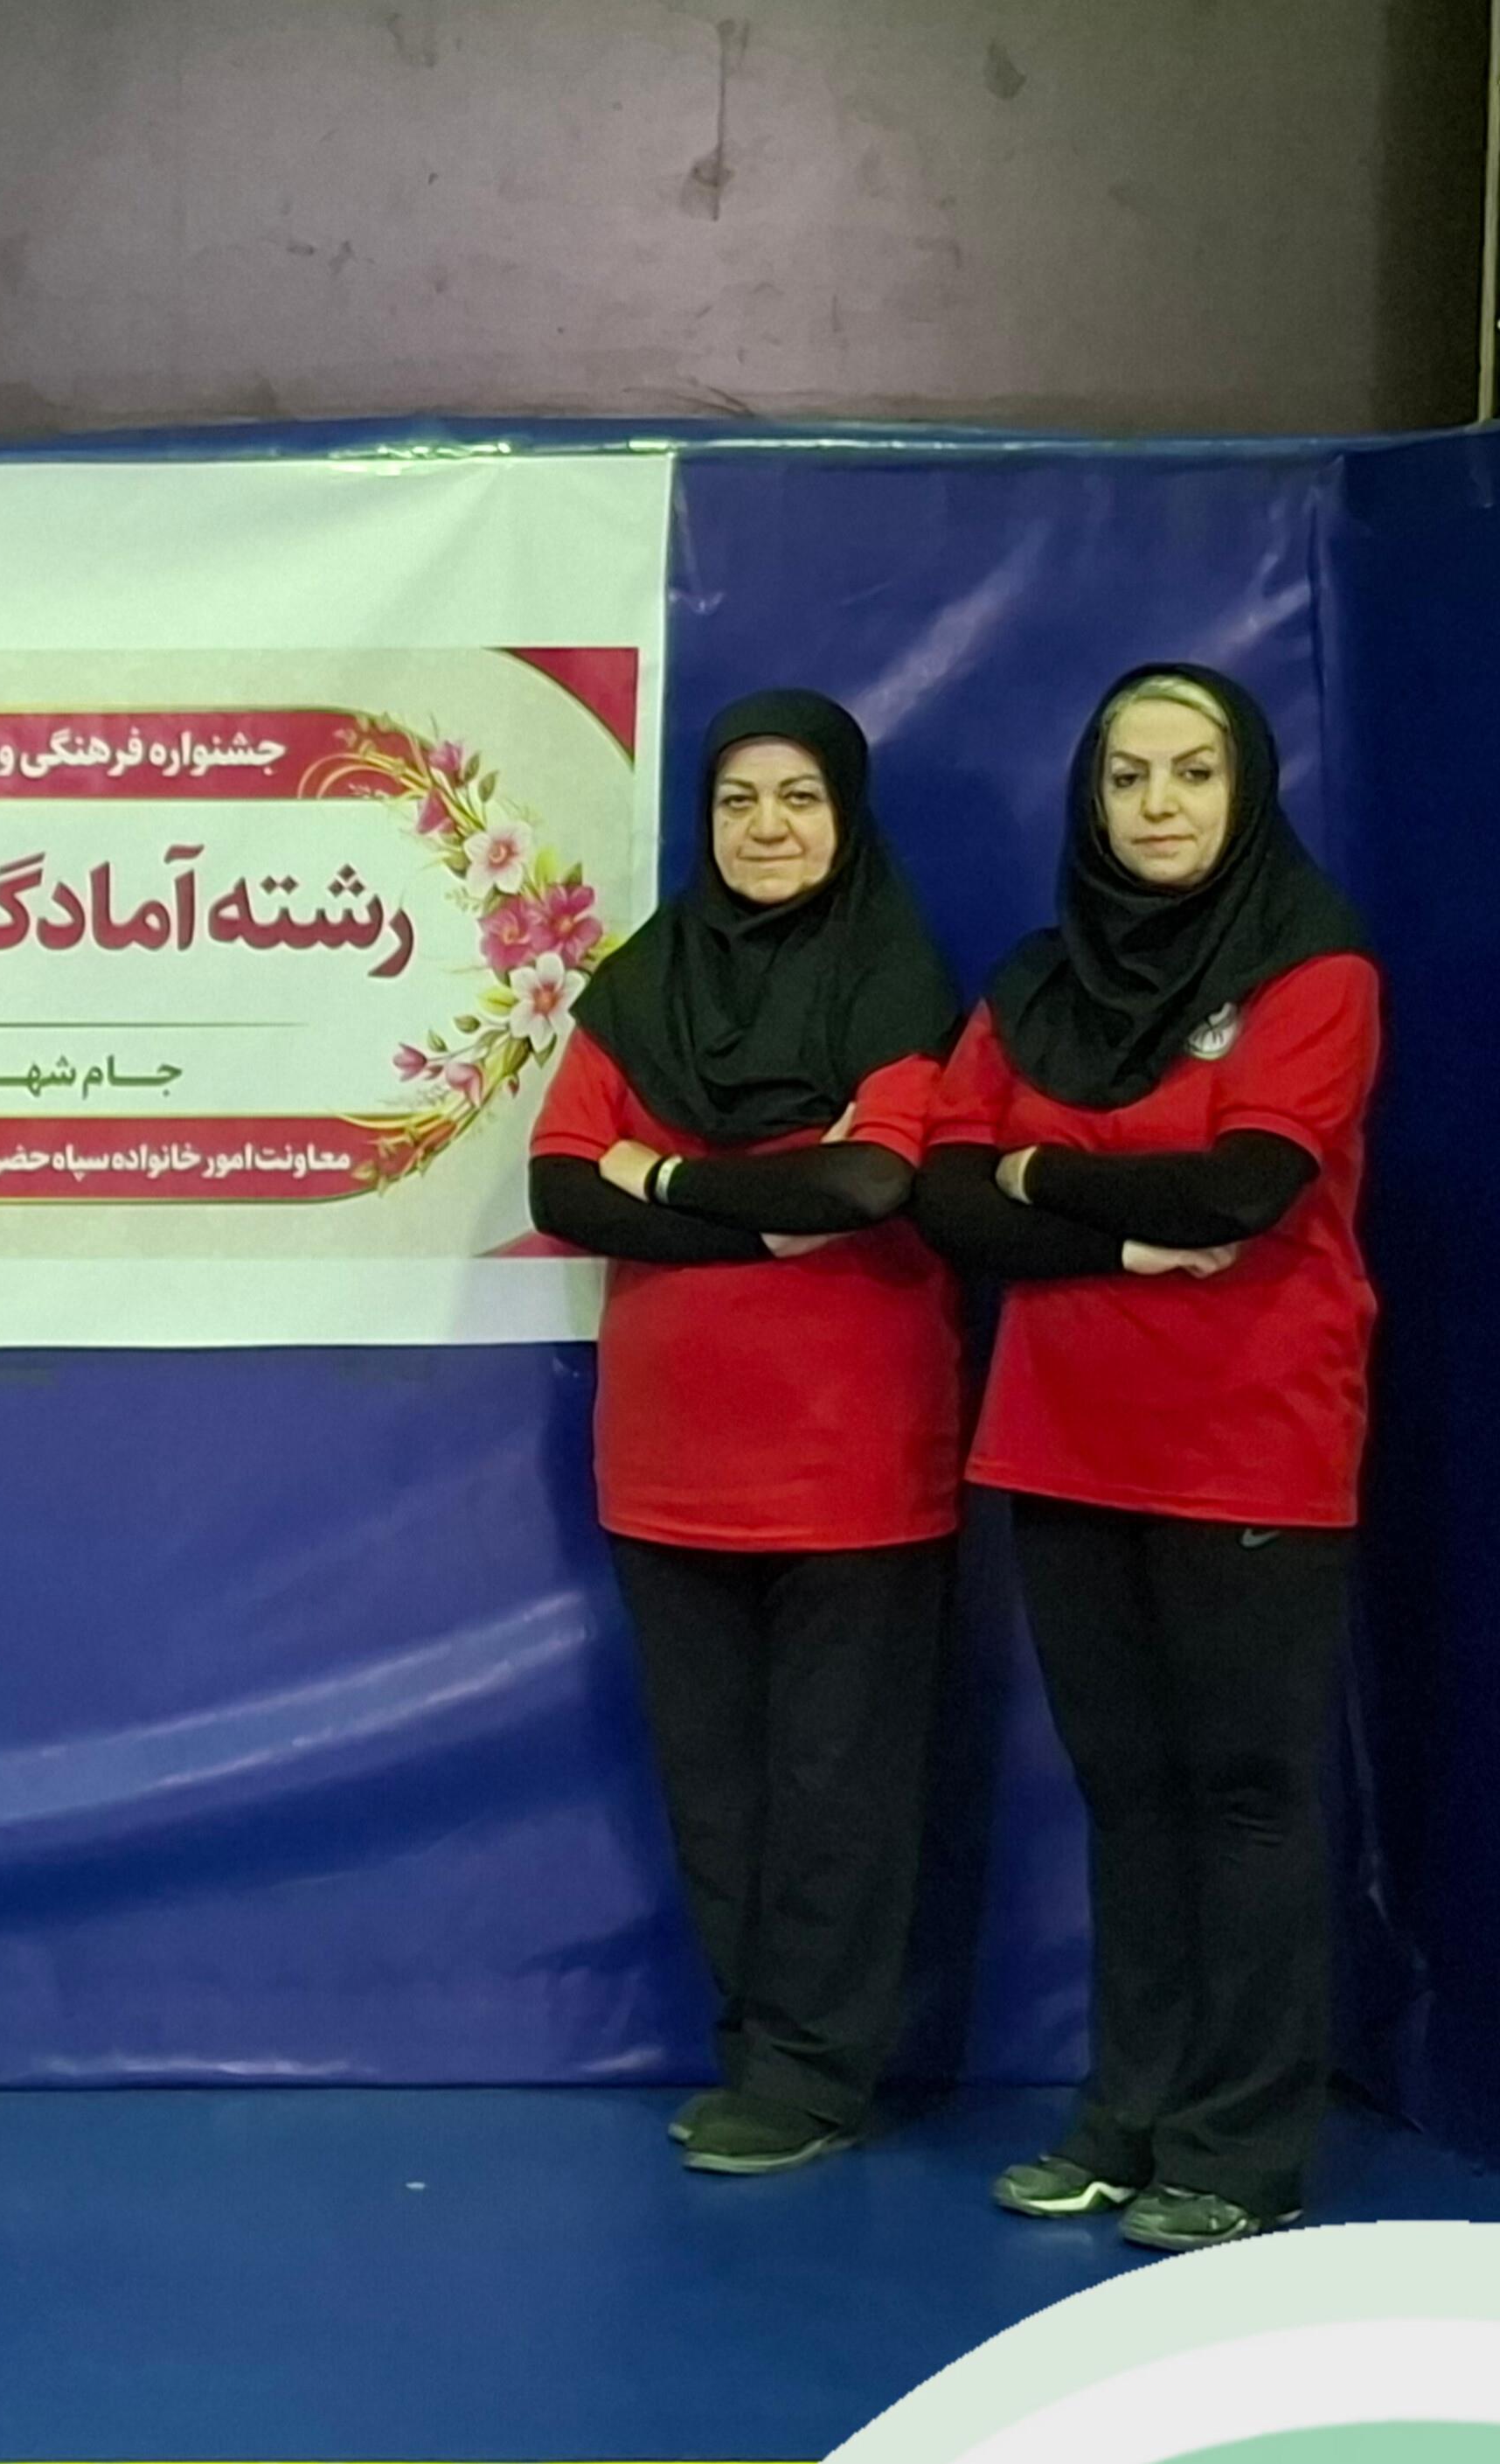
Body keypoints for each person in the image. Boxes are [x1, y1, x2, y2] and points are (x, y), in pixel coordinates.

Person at [914, 665, 1376, 2252]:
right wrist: (1103, 1222)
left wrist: (1039, 1170)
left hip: (1251, 1446)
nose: (1159, 804)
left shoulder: (1315, 967)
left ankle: (1242, 2150)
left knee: (1244, 1794)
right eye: (1128, 776)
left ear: (1246, 789)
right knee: (1128, 1794)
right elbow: (947, 1198)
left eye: (1192, 772)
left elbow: (1242, 1189)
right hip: (1062, 1440)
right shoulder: (1036, 983)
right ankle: (1127, 2117)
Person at [528, 689, 965, 2178]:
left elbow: (864, 1187)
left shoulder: (897, 980)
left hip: (855, 1468)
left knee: (839, 1792)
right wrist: (754, 1196)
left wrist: (657, 1172)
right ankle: (755, 2056)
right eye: (737, 801)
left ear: (846, 814)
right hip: (667, 1471)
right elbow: (560, 1188)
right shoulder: (644, 986)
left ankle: (815, 2075)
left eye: (798, 799)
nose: (766, 828)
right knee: (716, 1791)